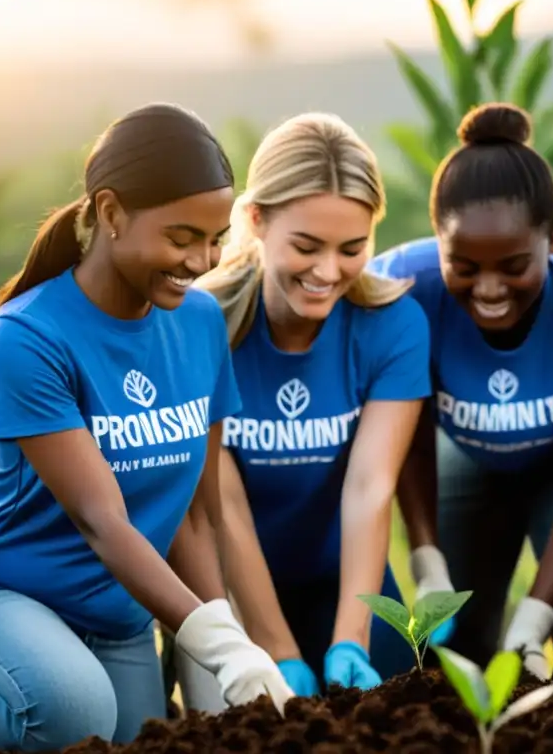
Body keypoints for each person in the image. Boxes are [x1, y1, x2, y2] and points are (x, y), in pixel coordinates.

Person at [0, 103, 293, 753]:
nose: (203, 259)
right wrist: (220, 642)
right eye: (183, 236)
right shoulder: (28, 336)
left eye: (216, 237)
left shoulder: (199, 325)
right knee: (77, 718)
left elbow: (194, 516)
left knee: (146, 741)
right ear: (110, 214)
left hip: (119, 612)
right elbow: (101, 521)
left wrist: (210, 649)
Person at [369, 102, 553, 682]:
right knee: (459, 646)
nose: (489, 288)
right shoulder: (402, 289)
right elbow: (409, 440)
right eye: (462, 266)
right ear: (437, 245)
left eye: (514, 264)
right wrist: (426, 562)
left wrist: (534, 619)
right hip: (466, 459)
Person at [167, 111, 430, 711]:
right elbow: (221, 503)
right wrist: (276, 648)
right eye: (306, 247)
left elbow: (370, 486)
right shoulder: (199, 324)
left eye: (352, 248)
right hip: (230, 590)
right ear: (256, 220)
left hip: (348, 585)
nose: (328, 271)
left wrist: (351, 640)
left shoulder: (392, 326)